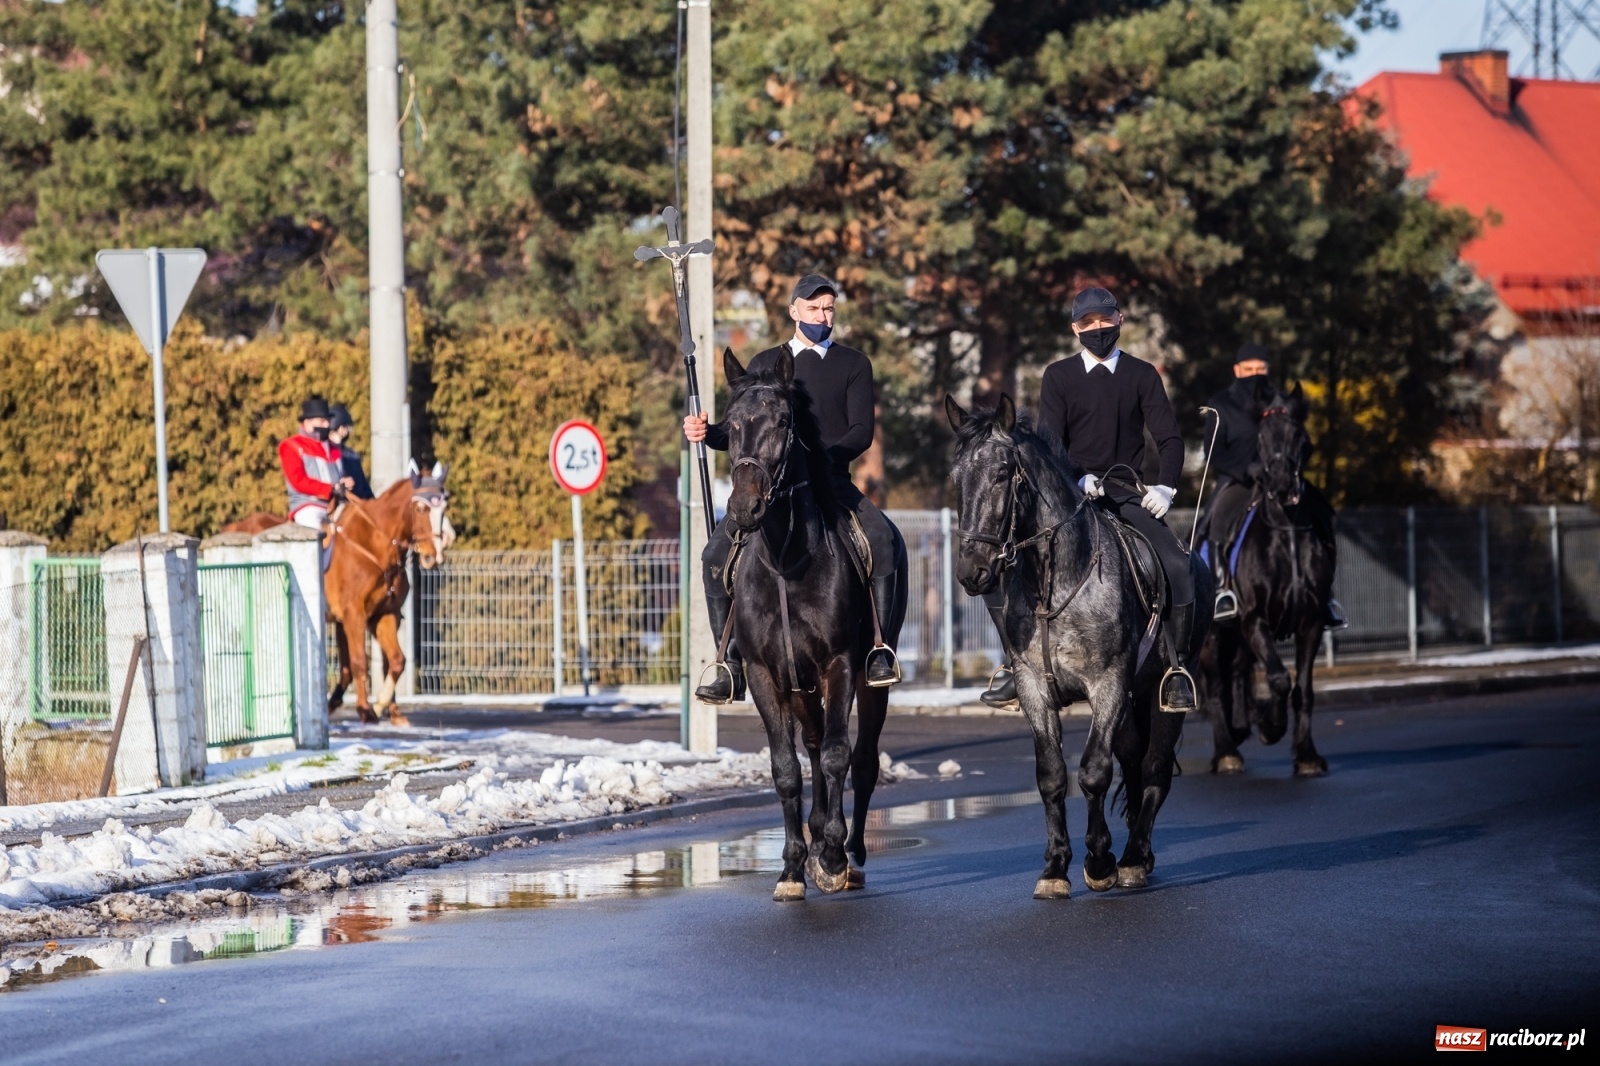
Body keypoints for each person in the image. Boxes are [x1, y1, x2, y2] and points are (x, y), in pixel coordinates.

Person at [683, 273, 901, 701]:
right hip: (772, 489)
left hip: (831, 480)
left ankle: (879, 648)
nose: (824, 317)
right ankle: (728, 661)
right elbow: (743, 432)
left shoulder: (854, 363)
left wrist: (823, 460)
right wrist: (707, 433)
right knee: (714, 553)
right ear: (794, 311)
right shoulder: (766, 363)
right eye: (815, 308)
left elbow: (861, 432)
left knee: (882, 539)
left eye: (829, 309)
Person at [981, 285, 1199, 712]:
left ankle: (1177, 668)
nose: (1097, 328)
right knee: (1007, 568)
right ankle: (1013, 664)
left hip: (1128, 495)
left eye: (1104, 320)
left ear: (1118, 320)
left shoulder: (1142, 374)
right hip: (1072, 499)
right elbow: (1050, 444)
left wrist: (1165, 487)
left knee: (1178, 563)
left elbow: (1170, 439)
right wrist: (1076, 478)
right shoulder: (1058, 376)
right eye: (1088, 323)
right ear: (1075, 328)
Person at [1198, 345, 1346, 628]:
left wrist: (1292, 469)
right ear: (1237, 371)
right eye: (1249, 370)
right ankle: (1222, 591)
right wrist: (1248, 468)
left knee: (1323, 514)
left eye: (1261, 370)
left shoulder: (1283, 402)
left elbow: (1306, 444)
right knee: (1217, 520)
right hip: (1240, 480)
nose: (1255, 375)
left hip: (1284, 479)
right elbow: (1213, 453)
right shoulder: (1221, 403)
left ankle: (1325, 595)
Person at [278, 397, 353, 531]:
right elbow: (298, 481)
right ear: (307, 423)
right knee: (314, 535)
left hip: (337, 505)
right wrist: (329, 489)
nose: (326, 425)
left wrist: (345, 482)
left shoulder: (334, 449)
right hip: (308, 506)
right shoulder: (291, 445)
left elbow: (338, 477)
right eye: (322, 421)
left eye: (327, 421)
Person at [328, 403, 375, 500]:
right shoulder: (325, 452)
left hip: (359, 503)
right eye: (347, 427)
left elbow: (364, 486)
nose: (350, 431)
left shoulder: (352, 454)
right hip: (339, 501)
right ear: (340, 428)